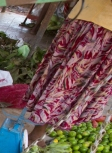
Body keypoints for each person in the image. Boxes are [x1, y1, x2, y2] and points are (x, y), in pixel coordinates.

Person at [25, 0, 112, 143]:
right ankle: (37, 133)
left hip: (92, 18)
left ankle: (51, 129)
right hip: (97, 25)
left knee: (76, 81)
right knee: (66, 79)